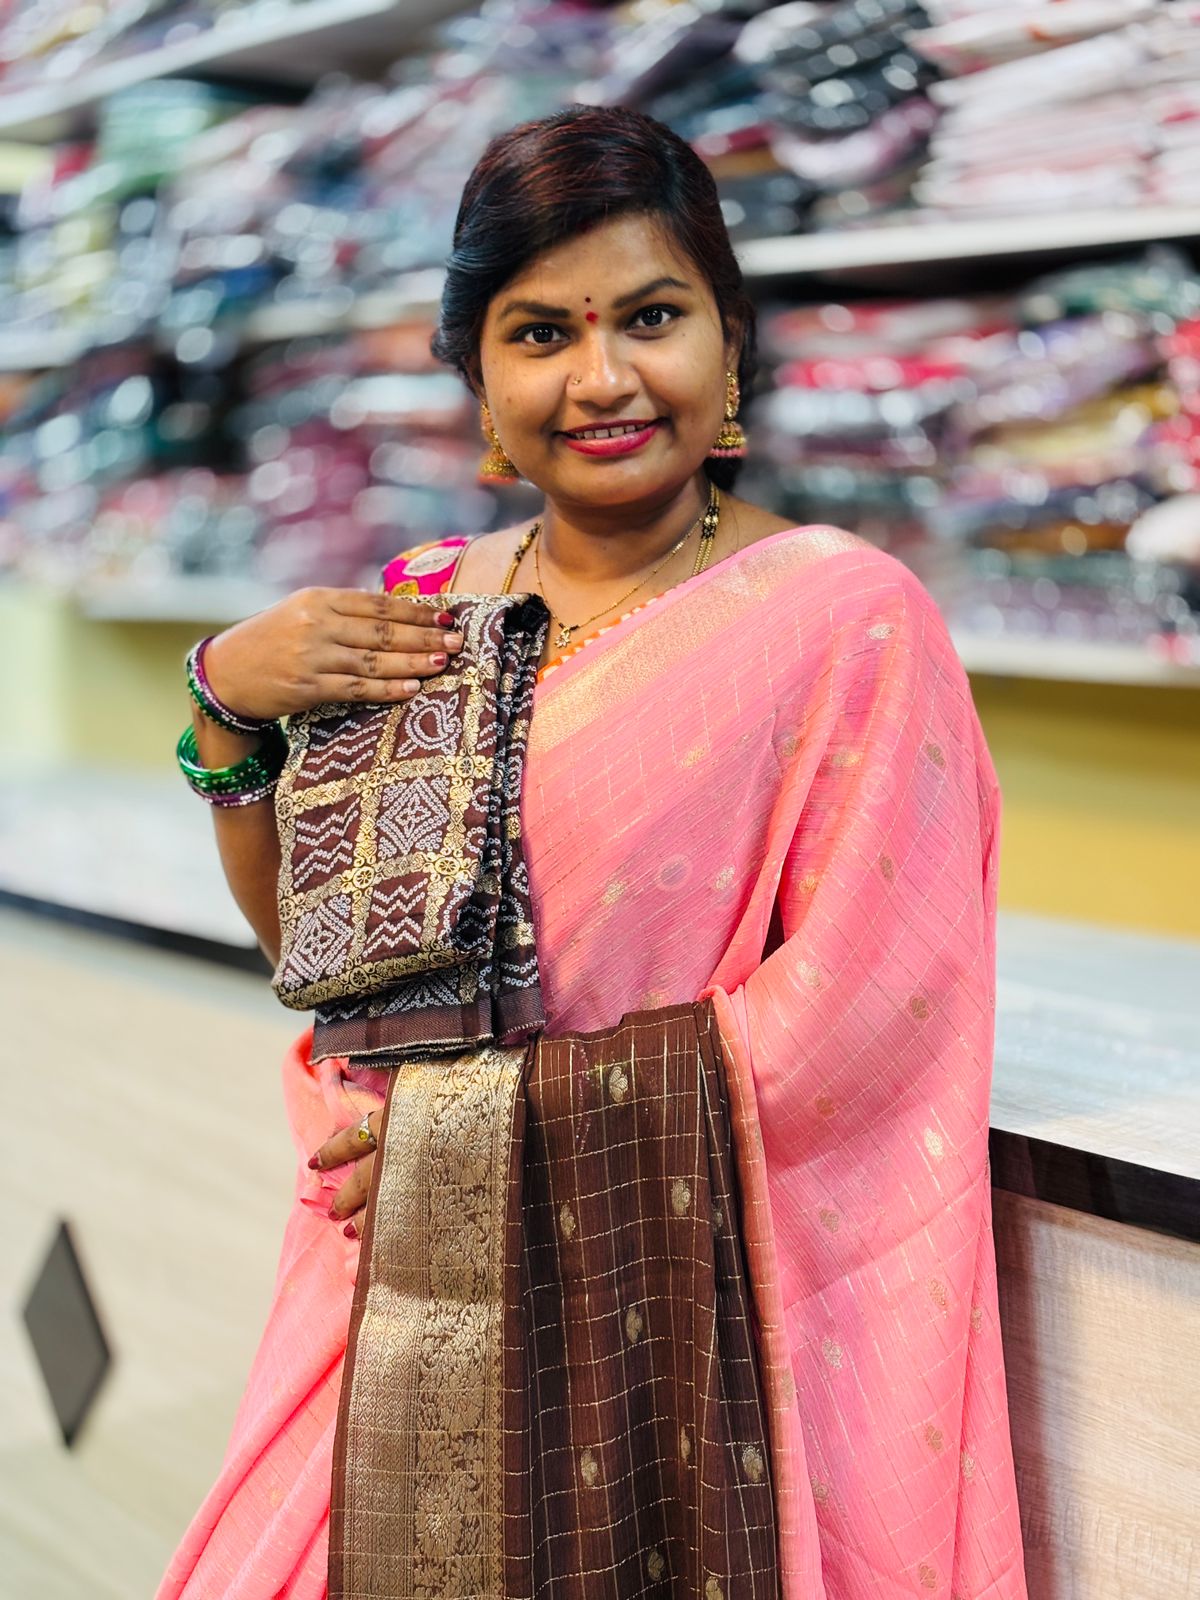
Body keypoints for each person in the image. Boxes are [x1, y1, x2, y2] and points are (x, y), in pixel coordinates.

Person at [160, 106, 1028, 1600]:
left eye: (652, 317)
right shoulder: (420, 604)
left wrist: (475, 1143)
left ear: (731, 342)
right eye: (542, 333)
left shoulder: (844, 619)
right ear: (479, 380)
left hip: (666, 1317)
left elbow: (867, 1020)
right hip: (386, 1291)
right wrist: (224, 709)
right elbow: (323, 952)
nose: (604, 378)